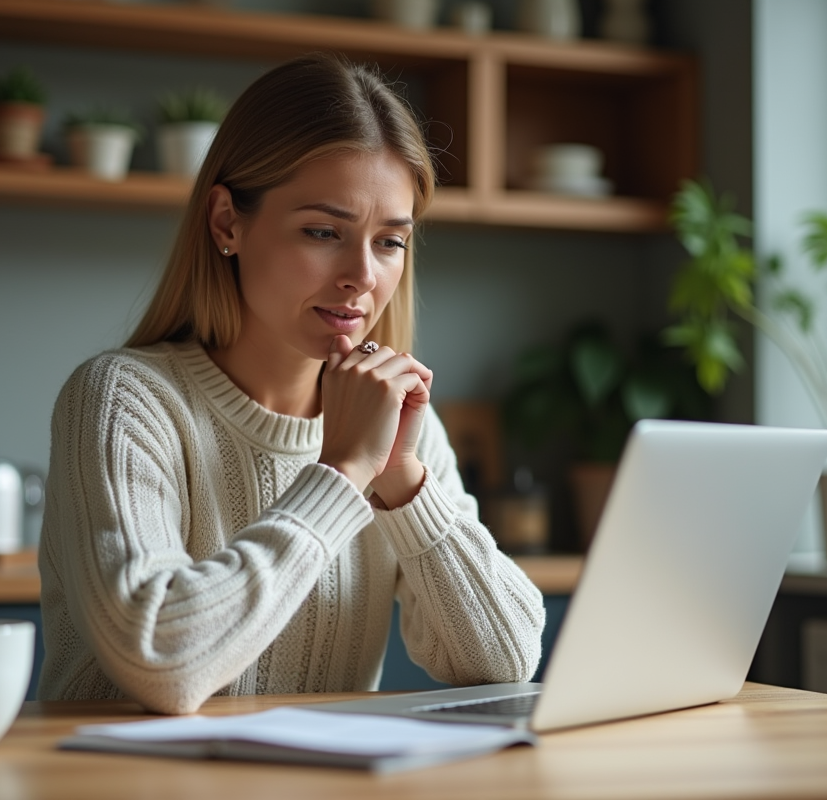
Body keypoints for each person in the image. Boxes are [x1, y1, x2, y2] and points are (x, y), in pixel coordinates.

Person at [37, 53, 545, 715]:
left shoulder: (397, 422)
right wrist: (341, 473)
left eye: (390, 241)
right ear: (227, 223)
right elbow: (159, 660)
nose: (362, 276)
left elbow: (504, 658)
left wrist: (401, 480)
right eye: (323, 232)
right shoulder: (124, 399)